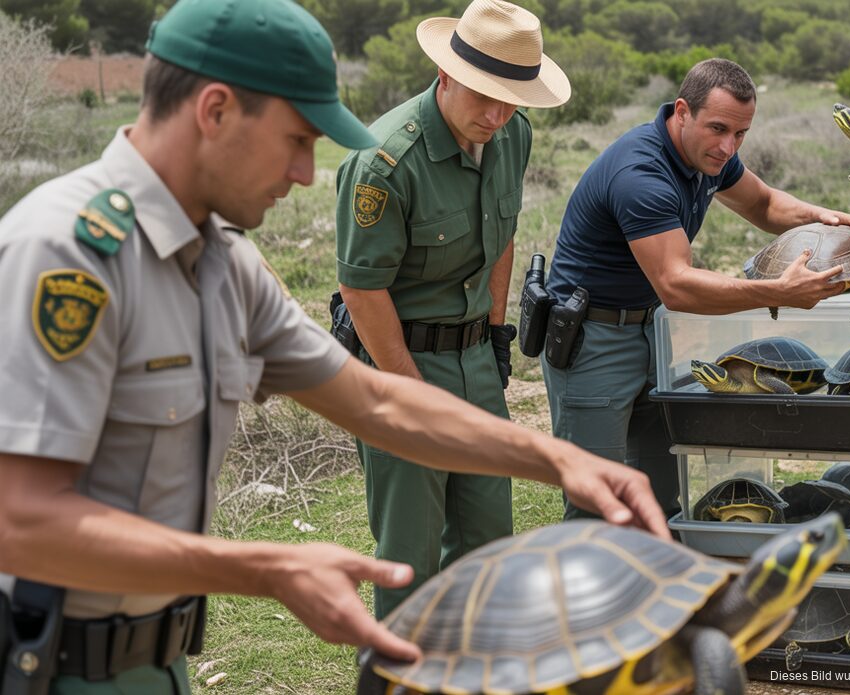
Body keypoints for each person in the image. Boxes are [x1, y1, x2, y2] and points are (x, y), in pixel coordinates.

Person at [0, 1, 665, 692]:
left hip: (159, 664)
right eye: (297, 139)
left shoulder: (228, 265)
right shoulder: (66, 255)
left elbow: (378, 401)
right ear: (216, 111)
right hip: (46, 662)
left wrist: (563, 461)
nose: (307, 174)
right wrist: (268, 569)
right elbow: (20, 521)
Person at [541, 58, 850, 521]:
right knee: (599, 505)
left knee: (659, 497)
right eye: (718, 129)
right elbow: (677, 285)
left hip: (651, 331)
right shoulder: (642, 175)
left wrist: (821, 218)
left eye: (740, 134)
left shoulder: (706, 156)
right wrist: (778, 291)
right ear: (682, 112)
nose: (728, 147)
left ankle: (658, 591)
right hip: (594, 341)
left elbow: (764, 203)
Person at [333, 0, 570, 620]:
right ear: (445, 76)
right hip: (401, 364)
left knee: (489, 541)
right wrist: (408, 393)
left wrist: (494, 335)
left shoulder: (512, 134)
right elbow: (362, 289)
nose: (496, 114)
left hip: (474, 360)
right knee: (410, 556)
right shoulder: (384, 162)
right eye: (483, 96)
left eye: (511, 98)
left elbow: (503, 234)